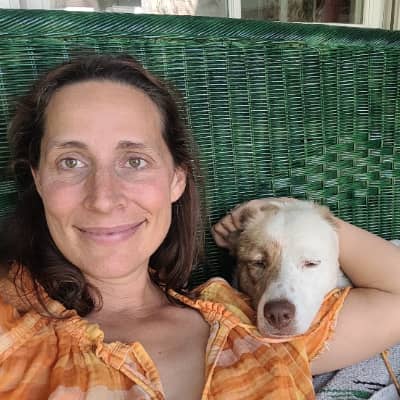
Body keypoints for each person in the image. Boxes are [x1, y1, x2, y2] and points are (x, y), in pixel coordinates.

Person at [0, 53, 399, 400]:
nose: (103, 198)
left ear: (177, 180)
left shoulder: (252, 318)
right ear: (38, 180)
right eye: (70, 161)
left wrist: (299, 214)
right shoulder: (15, 331)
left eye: (135, 161)